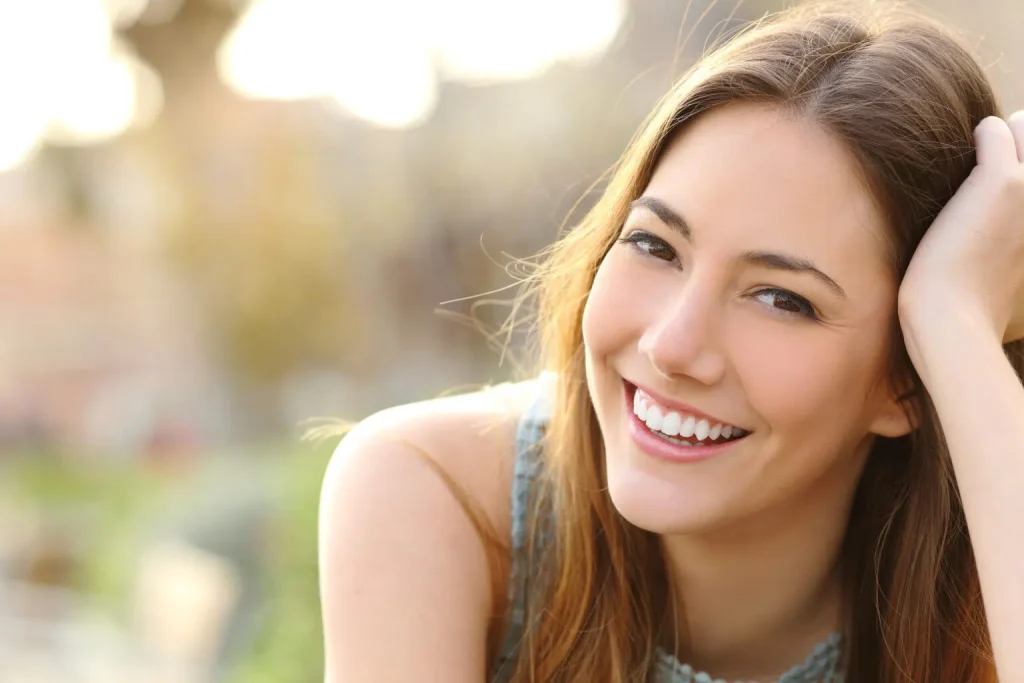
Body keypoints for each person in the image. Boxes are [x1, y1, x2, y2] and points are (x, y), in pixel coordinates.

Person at [317, 3, 1024, 682]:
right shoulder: (437, 496)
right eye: (655, 245)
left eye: (782, 298)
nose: (672, 344)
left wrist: (959, 332)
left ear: (907, 380)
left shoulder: (985, 574)